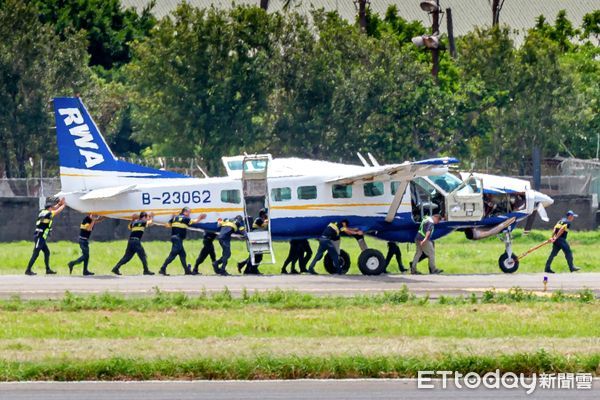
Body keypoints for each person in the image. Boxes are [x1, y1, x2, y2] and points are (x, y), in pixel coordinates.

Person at [159, 207, 207, 276]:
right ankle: (162, 268)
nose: (189, 214)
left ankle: (187, 271)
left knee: (183, 255)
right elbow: (195, 221)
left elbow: (167, 226)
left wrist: (174, 220)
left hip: (175, 238)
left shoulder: (175, 218)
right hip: (178, 238)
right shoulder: (185, 218)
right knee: (173, 254)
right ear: (185, 212)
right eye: (189, 212)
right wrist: (200, 217)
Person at [25, 197, 67, 276]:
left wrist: (59, 204)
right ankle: (28, 270)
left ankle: (48, 269)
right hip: (39, 237)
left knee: (47, 252)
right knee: (36, 253)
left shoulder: (42, 212)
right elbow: (57, 211)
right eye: (51, 208)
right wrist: (64, 205)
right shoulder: (48, 213)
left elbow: (54, 208)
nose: (52, 209)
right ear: (49, 208)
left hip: (41, 237)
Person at [238, 209, 268, 275]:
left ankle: (246, 269)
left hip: (257, 238)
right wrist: (267, 220)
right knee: (258, 256)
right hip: (255, 238)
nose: (266, 215)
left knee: (255, 256)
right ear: (263, 215)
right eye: (266, 214)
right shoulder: (259, 219)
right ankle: (252, 270)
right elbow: (264, 226)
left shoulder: (260, 219)